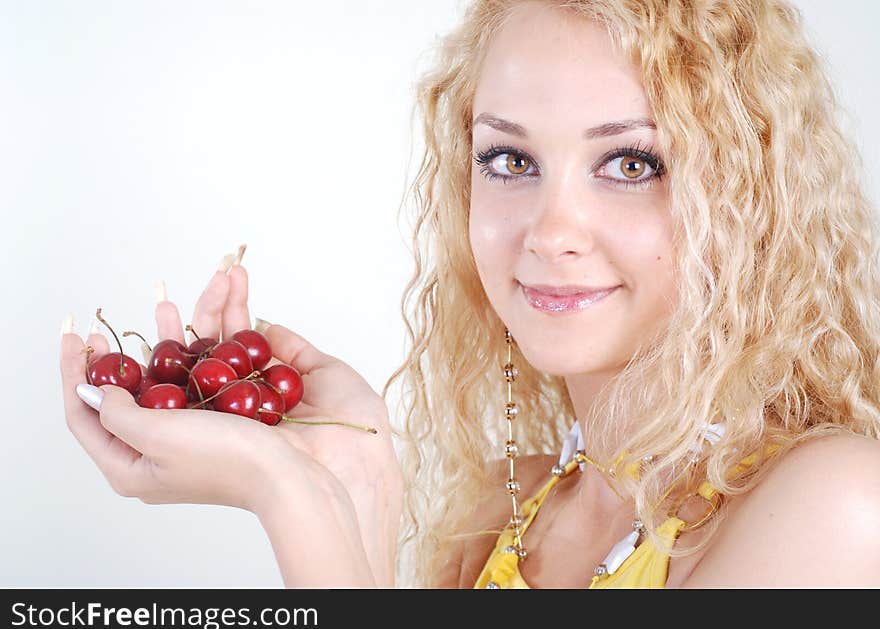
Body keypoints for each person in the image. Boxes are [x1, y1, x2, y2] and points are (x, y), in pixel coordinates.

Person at [60, 0, 880, 589]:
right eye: (510, 161)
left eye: (632, 163)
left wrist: (292, 500)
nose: (551, 231)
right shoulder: (509, 506)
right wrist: (356, 476)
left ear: (751, 197)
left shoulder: (837, 508)